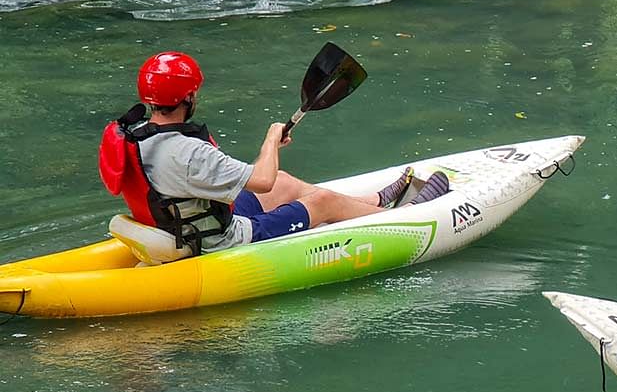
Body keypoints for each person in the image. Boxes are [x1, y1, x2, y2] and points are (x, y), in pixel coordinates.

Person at [98, 51, 450, 256]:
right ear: (188, 97)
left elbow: (264, 181)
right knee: (321, 201)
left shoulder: (137, 136)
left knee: (283, 180)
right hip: (217, 241)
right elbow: (260, 182)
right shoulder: (189, 152)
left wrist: (271, 153)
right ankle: (404, 214)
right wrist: (270, 140)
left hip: (180, 224)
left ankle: (375, 202)